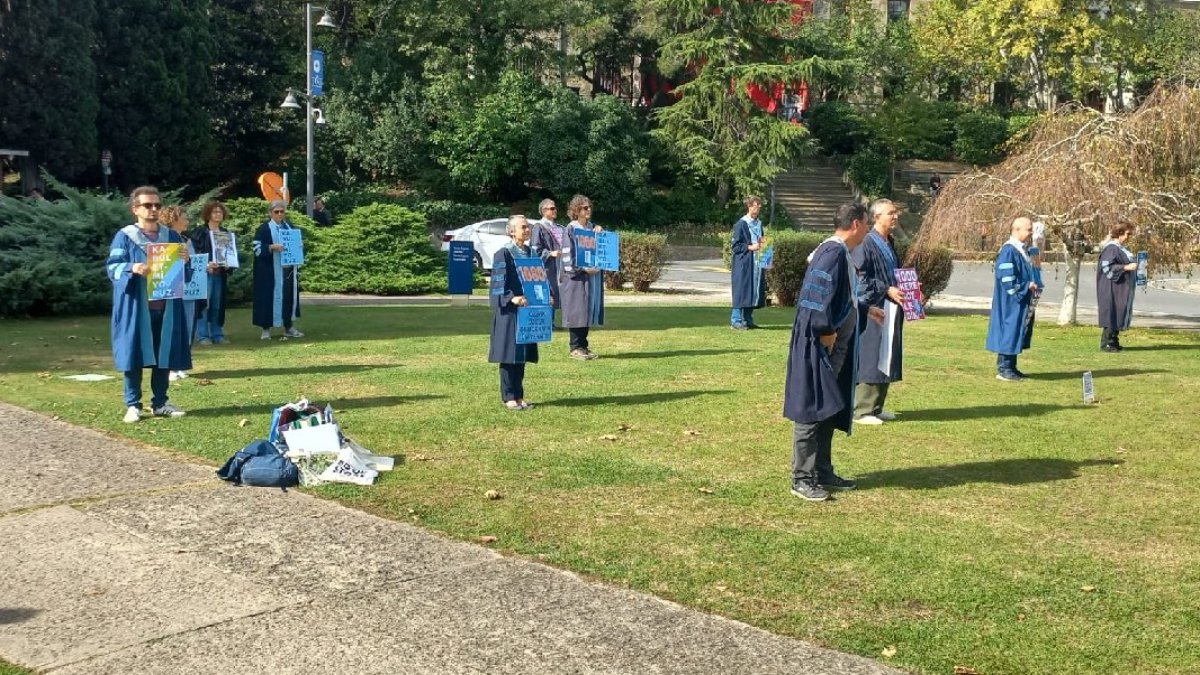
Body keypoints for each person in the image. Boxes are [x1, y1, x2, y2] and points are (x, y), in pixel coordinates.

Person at [783, 203, 870, 502]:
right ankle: (801, 478)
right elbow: (814, 299)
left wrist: (864, 310)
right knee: (811, 407)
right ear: (856, 224)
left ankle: (822, 470)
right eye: (867, 224)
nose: (868, 230)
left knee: (828, 407)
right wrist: (825, 332)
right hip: (818, 345)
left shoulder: (839, 252)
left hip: (831, 344)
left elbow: (838, 296)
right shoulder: (832, 252)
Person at [106, 186, 191, 423]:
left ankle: (161, 403)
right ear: (136, 209)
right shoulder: (124, 236)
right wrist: (132, 268)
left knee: (163, 355)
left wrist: (186, 260)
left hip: (166, 307)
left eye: (156, 205)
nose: (153, 209)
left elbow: (186, 275)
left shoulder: (171, 236)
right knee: (133, 354)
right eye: (147, 205)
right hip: (136, 307)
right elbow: (112, 267)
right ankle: (133, 405)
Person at [853, 199, 905, 425]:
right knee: (872, 355)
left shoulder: (889, 241)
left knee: (887, 354)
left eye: (895, 213)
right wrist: (886, 289)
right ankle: (862, 409)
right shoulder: (866, 243)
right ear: (876, 217)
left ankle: (876, 406)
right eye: (890, 213)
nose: (895, 217)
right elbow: (861, 278)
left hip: (891, 307)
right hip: (873, 308)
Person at [489, 215, 541, 411]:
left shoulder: (532, 253)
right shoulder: (503, 254)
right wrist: (511, 298)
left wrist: (547, 296)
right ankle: (508, 396)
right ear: (512, 231)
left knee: (522, 354)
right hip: (509, 311)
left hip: (527, 310)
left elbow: (539, 279)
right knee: (508, 354)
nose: (527, 230)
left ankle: (519, 395)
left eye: (528, 227)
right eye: (524, 227)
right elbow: (497, 284)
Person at [986, 217, 1043, 381]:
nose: (1031, 232)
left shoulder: (1024, 249)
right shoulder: (1009, 250)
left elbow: (1035, 266)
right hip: (1010, 300)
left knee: (1017, 331)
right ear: (1017, 230)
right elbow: (1006, 278)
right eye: (1029, 229)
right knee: (1009, 330)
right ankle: (1004, 368)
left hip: (1020, 299)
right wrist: (1026, 286)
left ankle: (1012, 366)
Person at [559, 194, 605, 360]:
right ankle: (575, 347)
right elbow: (567, 255)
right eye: (585, 208)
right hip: (576, 277)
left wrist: (600, 233)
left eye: (589, 207)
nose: (589, 210)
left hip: (591, 277)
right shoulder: (571, 229)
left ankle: (583, 346)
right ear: (576, 210)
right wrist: (582, 269)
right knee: (577, 310)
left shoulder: (592, 228)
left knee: (586, 311)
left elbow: (602, 249)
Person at [253, 200, 304, 340]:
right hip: (270, 272)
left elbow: (296, 246)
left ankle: (289, 327)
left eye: (282, 211)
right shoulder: (263, 229)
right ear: (271, 213)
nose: (280, 214)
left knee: (288, 299)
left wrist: (299, 245)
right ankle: (266, 330)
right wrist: (271, 247)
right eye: (277, 212)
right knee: (268, 299)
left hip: (288, 271)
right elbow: (257, 249)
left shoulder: (290, 228)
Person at [160, 205, 195, 382]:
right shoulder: (163, 238)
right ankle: (168, 367)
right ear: (174, 218)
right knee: (169, 330)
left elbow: (187, 272)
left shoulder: (182, 239)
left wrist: (187, 261)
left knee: (181, 329)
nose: (187, 220)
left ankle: (177, 365)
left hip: (178, 290)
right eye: (184, 217)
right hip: (163, 293)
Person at [191, 200, 232, 345]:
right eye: (215, 212)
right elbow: (194, 253)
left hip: (220, 274)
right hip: (204, 274)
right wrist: (206, 264)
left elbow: (230, 254)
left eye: (220, 212)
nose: (218, 214)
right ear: (208, 214)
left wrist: (229, 264)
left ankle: (217, 334)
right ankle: (203, 336)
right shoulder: (200, 232)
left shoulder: (225, 233)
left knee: (217, 305)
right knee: (203, 305)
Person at [1096, 223, 1139, 352]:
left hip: (1118, 288)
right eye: (1127, 234)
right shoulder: (1111, 248)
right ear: (1120, 233)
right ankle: (1106, 343)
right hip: (1111, 289)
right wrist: (1126, 267)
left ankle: (1114, 341)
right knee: (1112, 313)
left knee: (1118, 313)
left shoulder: (1120, 248)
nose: (1129, 237)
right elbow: (1107, 267)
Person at [730, 195, 767, 330]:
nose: (759, 208)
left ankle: (748, 318)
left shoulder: (759, 224)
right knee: (742, 290)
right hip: (744, 263)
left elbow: (762, 240)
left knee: (753, 291)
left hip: (757, 263)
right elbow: (735, 246)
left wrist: (766, 252)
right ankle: (736, 320)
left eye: (759, 206)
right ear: (750, 207)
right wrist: (750, 247)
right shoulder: (741, 224)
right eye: (757, 205)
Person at [530, 198, 564, 327]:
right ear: (544, 211)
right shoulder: (538, 227)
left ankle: (552, 322)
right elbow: (536, 248)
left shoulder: (560, 228)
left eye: (555, 208)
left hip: (559, 266)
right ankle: (546, 322)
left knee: (556, 292)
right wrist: (550, 253)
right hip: (547, 267)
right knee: (548, 293)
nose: (555, 210)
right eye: (551, 208)